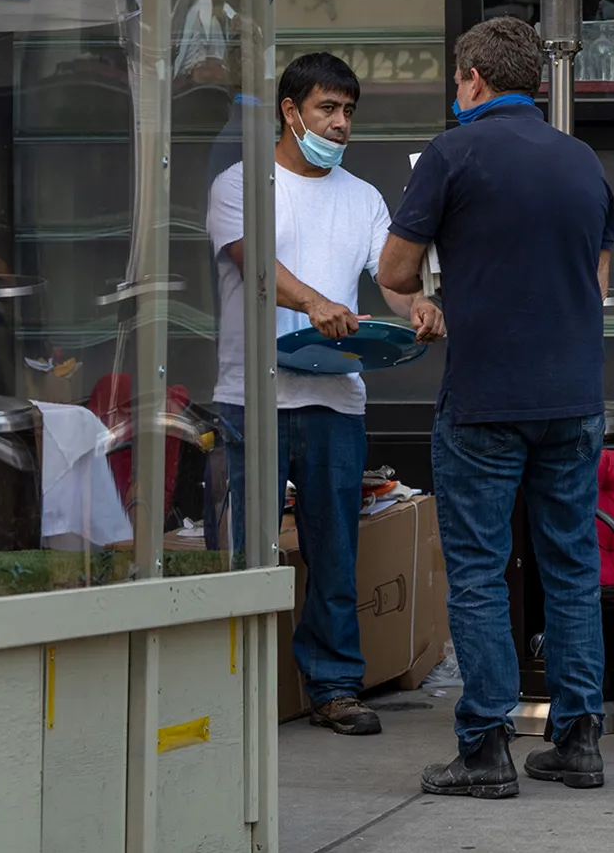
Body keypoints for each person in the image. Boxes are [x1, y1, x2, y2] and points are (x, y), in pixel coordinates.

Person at [378, 16, 614, 800]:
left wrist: (431, 302)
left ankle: (485, 748)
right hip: (575, 396)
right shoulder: (582, 160)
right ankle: (580, 741)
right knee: (572, 567)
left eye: (457, 79)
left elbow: (396, 265)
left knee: (480, 574)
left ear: (474, 78)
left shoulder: (452, 152)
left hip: (485, 397)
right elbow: (598, 283)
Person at [204, 52, 443, 736]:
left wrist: (418, 307)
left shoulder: (363, 197)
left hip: (336, 397)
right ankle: (238, 684)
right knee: (248, 553)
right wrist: (313, 302)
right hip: (252, 394)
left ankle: (334, 687)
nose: (340, 125)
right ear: (290, 110)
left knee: (335, 549)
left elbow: (391, 275)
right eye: (327, 109)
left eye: (348, 113)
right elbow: (254, 263)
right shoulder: (241, 183)